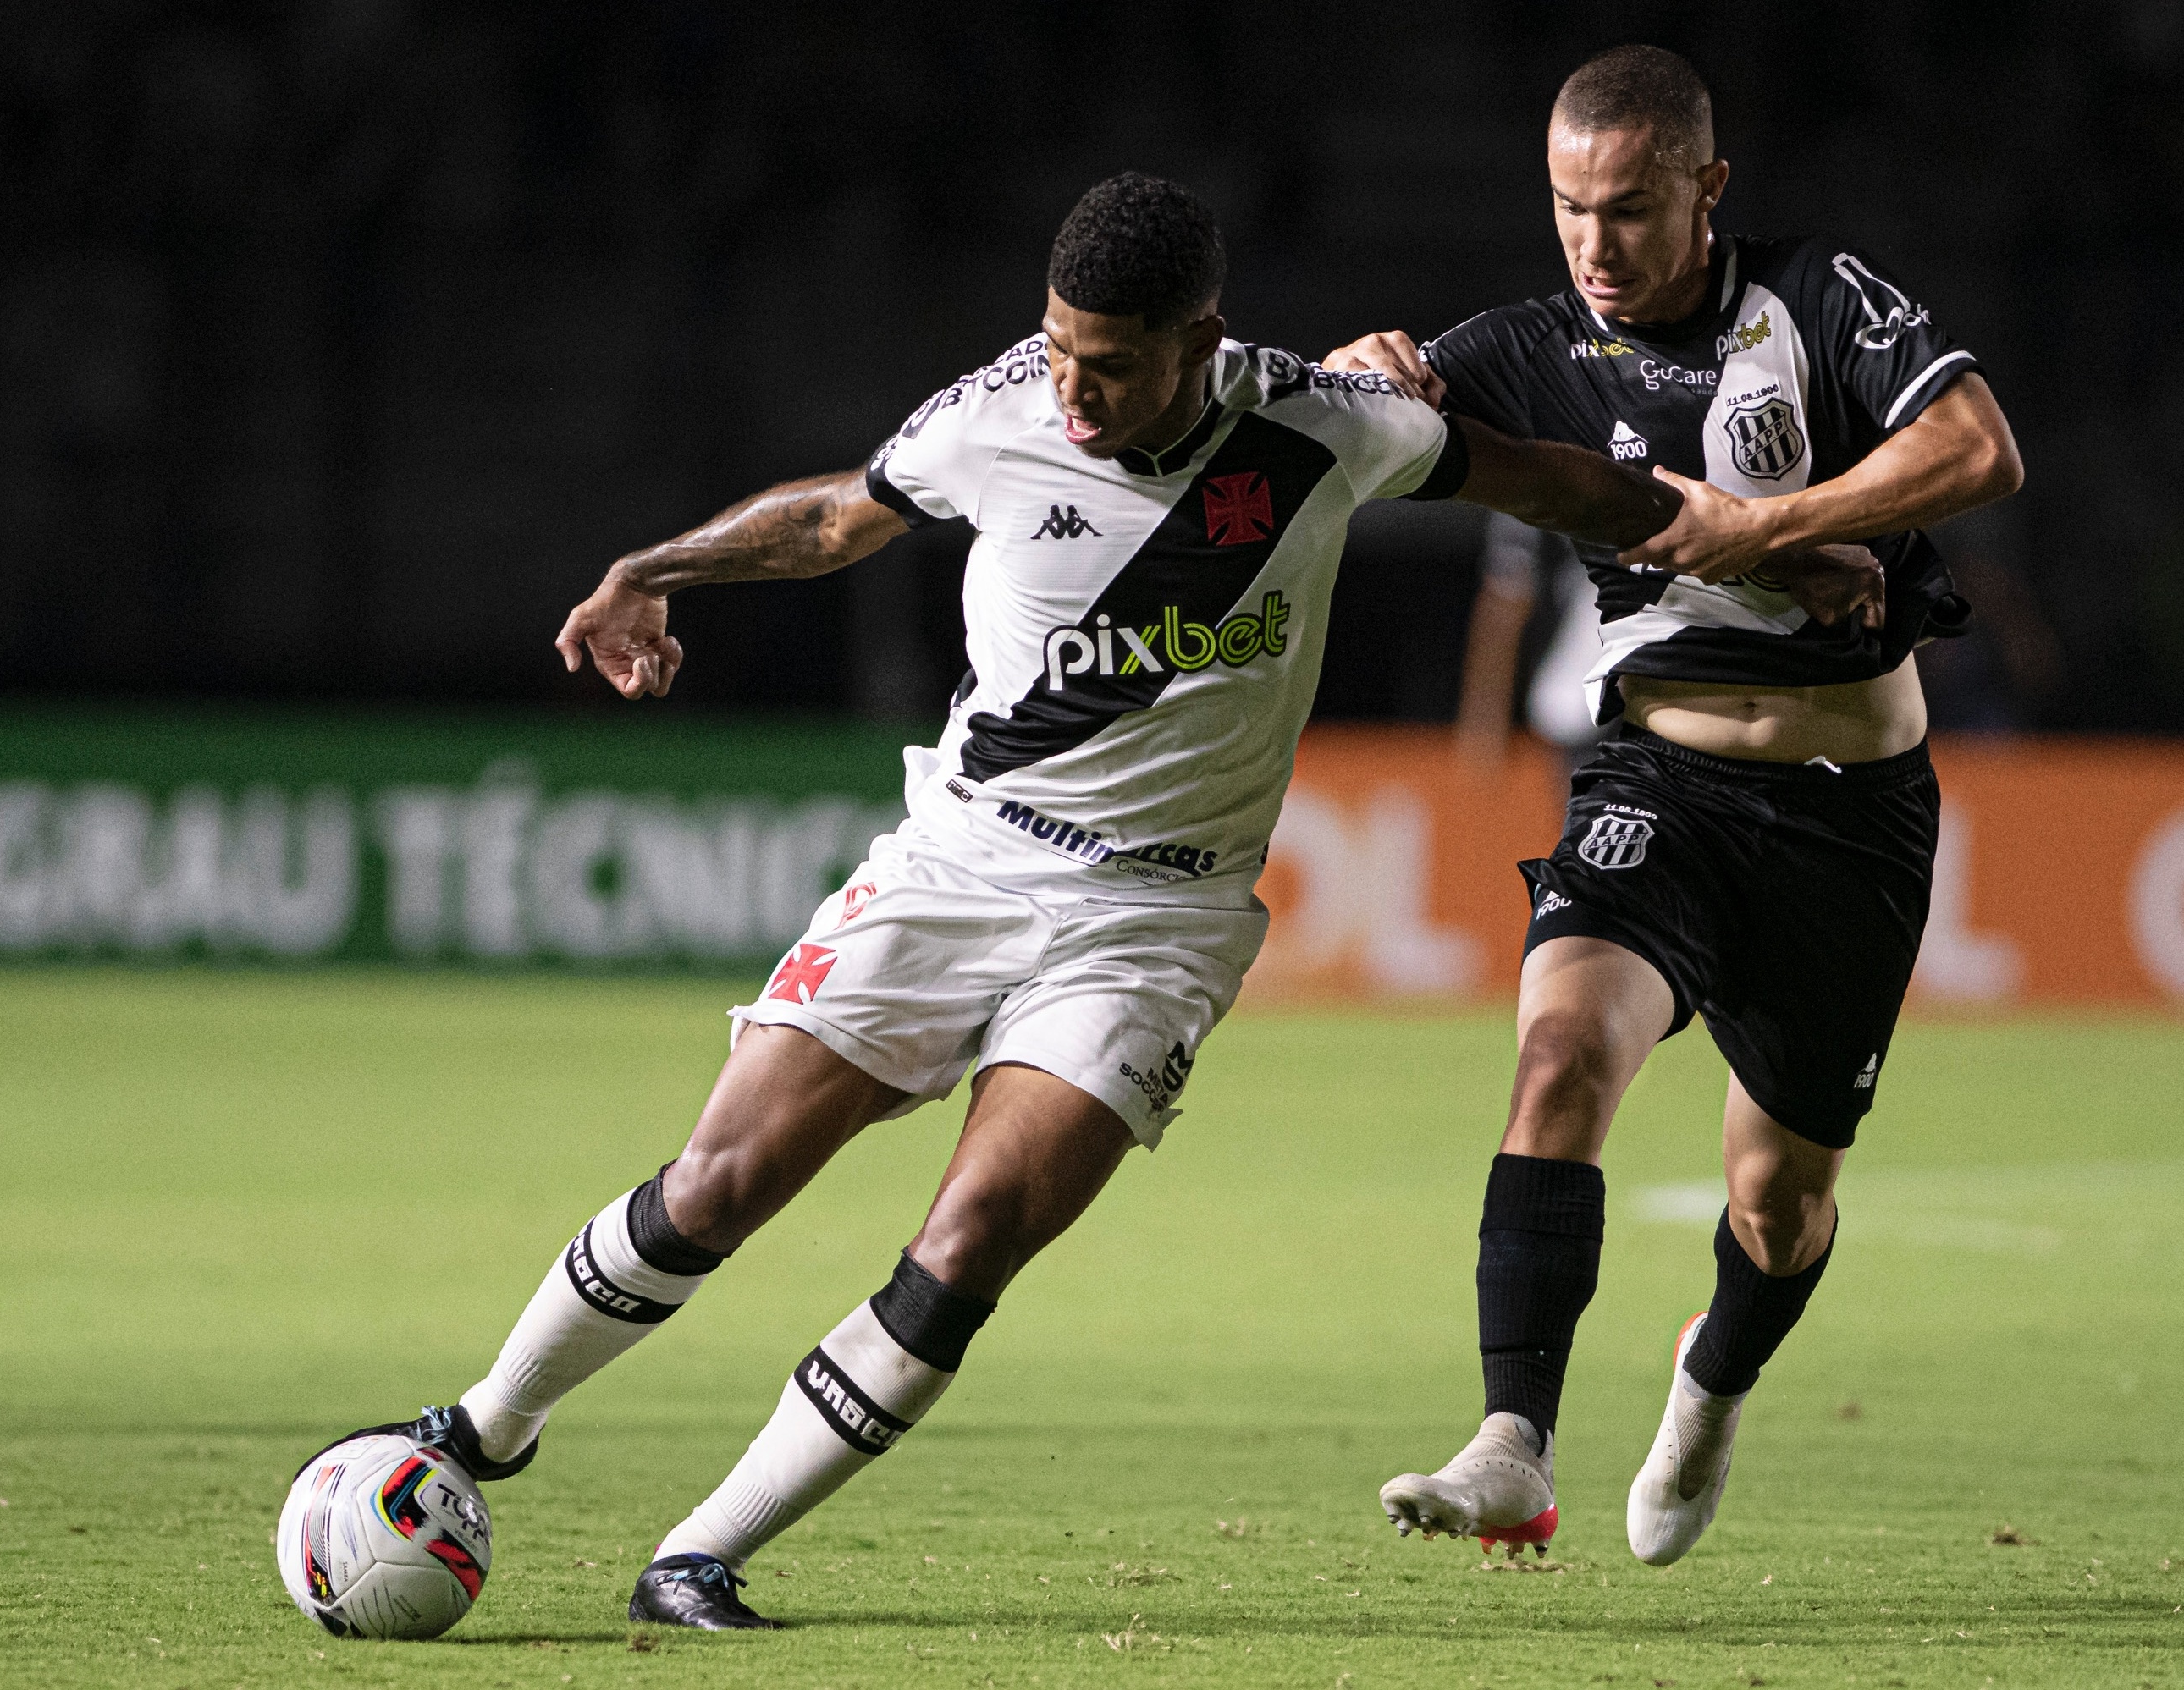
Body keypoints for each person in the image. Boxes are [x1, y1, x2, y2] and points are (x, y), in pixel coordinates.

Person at [301, 171, 1853, 1630]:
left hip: (1152, 928)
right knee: (719, 1177)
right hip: (959, 863)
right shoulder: (994, 417)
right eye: (1057, 352)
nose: (1071, 391)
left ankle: (698, 1554)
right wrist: (657, 568)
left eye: (1107, 365)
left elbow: (1560, 480)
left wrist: (1776, 559)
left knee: (969, 1233)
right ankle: (484, 1425)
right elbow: (840, 513)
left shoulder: (1323, 430)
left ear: (1199, 343)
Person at [1325, 44, 2023, 1566]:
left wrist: (1767, 523)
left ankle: (1707, 1383)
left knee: (1776, 1204)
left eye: (1630, 209)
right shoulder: (1526, 345)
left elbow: (1978, 448)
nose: (1593, 243)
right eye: (1569, 208)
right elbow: (1362, 417)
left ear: (1707, 191)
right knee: (1562, 1049)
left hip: (1852, 811)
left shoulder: (1816, 302)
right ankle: (1513, 1438)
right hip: (1659, 781)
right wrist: (1365, 375)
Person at [1456, 510, 1609, 771]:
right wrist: (1484, 727)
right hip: (1583, 705)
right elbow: (1505, 604)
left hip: (1658, 692)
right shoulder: (1530, 499)